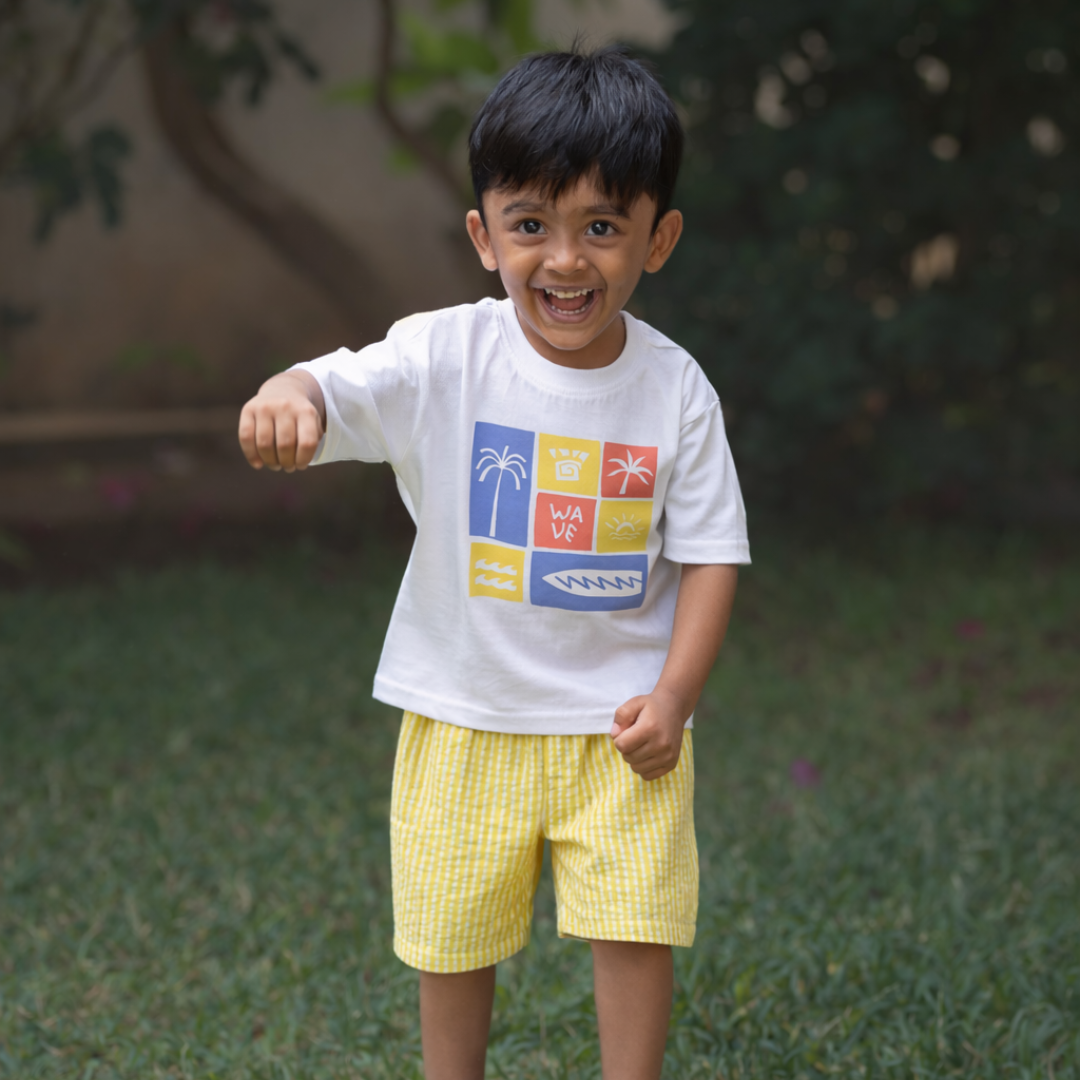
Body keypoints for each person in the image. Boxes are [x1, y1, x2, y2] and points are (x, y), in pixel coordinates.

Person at [238, 46, 750, 1080]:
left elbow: (710, 556)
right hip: (463, 713)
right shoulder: (445, 357)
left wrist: (675, 694)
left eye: (602, 227)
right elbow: (334, 383)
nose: (565, 260)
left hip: (619, 730)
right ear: (484, 235)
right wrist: (288, 393)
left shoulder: (676, 388)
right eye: (532, 225)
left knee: (636, 923)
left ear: (660, 239)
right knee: (452, 933)